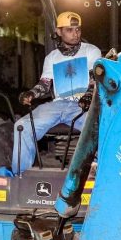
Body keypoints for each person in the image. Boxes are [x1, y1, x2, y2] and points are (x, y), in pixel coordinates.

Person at [12, 11, 101, 174]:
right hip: (58, 105)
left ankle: (97, 172)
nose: (75, 33)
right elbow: (45, 84)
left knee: (101, 127)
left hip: (82, 106)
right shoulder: (51, 57)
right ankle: (20, 175)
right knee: (22, 126)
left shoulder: (91, 51)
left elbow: (95, 79)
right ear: (59, 31)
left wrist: (89, 96)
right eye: (69, 30)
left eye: (78, 29)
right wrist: (31, 94)